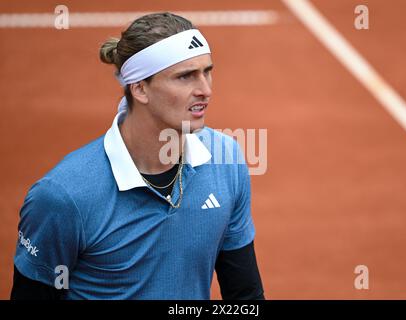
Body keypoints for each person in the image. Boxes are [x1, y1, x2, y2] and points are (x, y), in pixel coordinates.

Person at [11, 12, 264, 300]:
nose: (205, 90)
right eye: (185, 76)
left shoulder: (225, 160)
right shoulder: (63, 197)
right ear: (140, 88)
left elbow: (245, 295)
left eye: (207, 71)